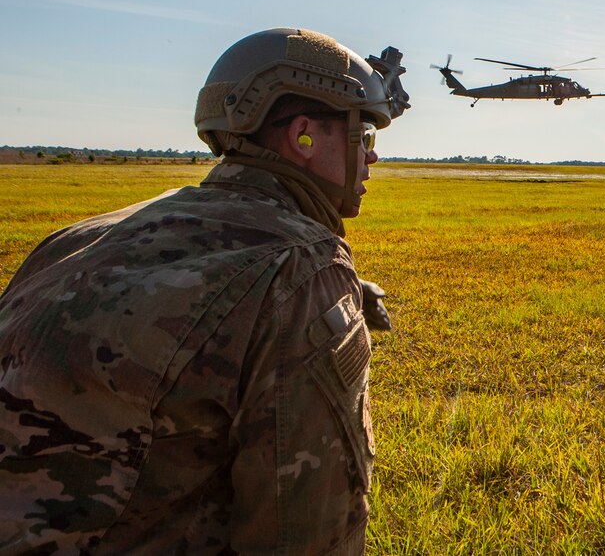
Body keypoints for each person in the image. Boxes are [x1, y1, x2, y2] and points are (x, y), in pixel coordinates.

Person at [0, 28, 410, 553]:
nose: (371, 157)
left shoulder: (78, 238)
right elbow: (307, 533)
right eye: (363, 135)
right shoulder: (301, 269)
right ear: (303, 135)